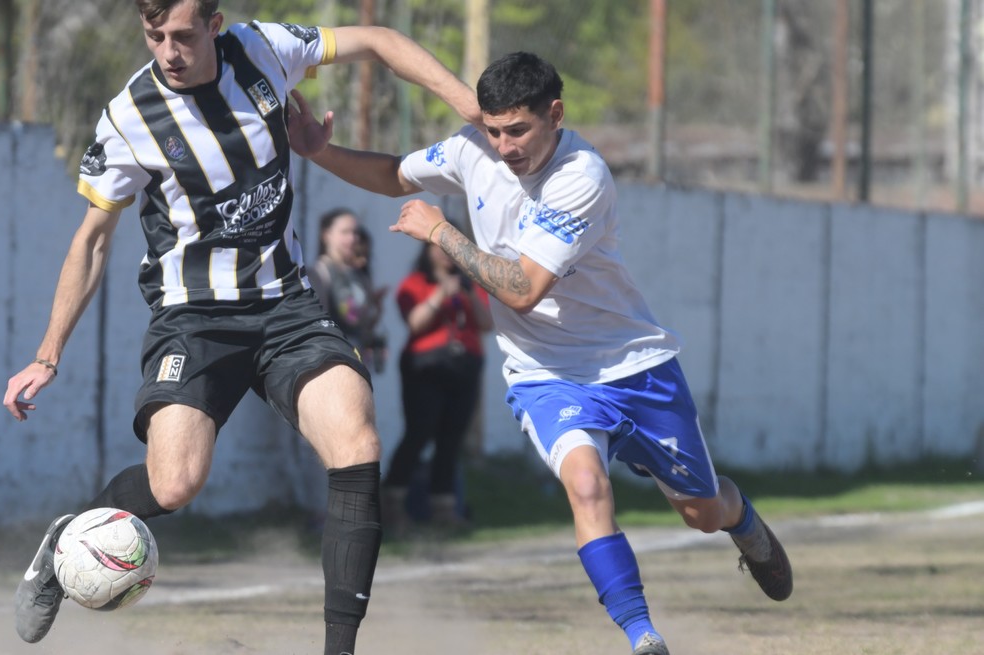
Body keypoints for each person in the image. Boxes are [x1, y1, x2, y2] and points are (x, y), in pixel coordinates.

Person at [0, 2, 478, 653]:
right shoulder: (129, 117)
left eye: (184, 35)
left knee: (356, 440)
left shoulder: (264, 51)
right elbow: (92, 241)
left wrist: (465, 102)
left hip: (287, 308)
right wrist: (46, 354)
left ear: (216, 24)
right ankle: (69, 532)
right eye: (155, 35)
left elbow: (379, 40)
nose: (169, 49)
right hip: (193, 321)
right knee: (174, 483)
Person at [287, 51, 792, 655]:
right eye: (494, 130)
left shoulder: (582, 176)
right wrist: (319, 151)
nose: (503, 146)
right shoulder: (475, 148)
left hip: (632, 364)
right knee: (586, 485)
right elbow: (395, 172)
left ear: (555, 114)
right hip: (547, 374)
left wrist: (443, 233)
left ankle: (739, 517)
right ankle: (643, 637)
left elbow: (523, 289)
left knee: (700, 512)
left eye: (518, 130)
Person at [382, 240, 491, 532]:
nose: (446, 253)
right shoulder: (415, 283)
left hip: (465, 365)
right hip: (425, 366)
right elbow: (415, 323)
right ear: (427, 250)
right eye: (440, 246)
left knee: (451, 438)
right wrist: (441, 292)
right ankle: (393, 505)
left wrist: (468, 291)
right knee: (419, 433)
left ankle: (444, 509)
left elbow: (487, 323)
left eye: (452, 246)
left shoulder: (472, 283)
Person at [310, 208, 388, 373]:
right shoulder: (317, 275)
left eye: (355, 232)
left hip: (357, 364)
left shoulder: (357, 275)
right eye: (344, 232)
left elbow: (361, 324)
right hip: (331, 367)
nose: (352, 238)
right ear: (326, 235)